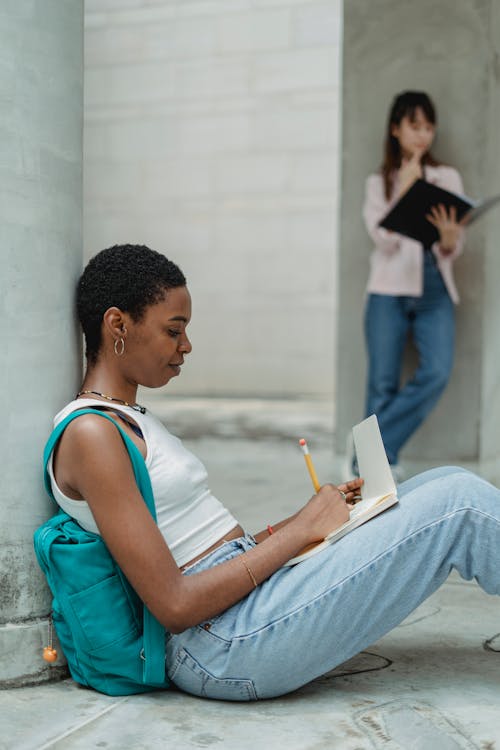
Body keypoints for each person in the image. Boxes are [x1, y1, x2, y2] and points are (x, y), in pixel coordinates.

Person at [48, 243, 500, 701]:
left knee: (436, 482)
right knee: (459, 503)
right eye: (174, 330)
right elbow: (175, 605)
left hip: (242, 606)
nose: (186, 345)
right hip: (221, 642)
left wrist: (311, 522)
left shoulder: (128, 416)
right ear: (118, 324)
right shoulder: (92, 434)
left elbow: (219, 546)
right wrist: (302, 528)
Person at [362, 91, 466, 479]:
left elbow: (452, 248)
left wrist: (451, 240)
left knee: (437, 371)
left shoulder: (447, 177)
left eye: (428, 126)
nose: (423, 135)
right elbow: (384, 240)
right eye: (414, 126)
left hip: (434, 287)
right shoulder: (379, 182)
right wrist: (405, 190)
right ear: (396, 129)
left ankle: (369, 453)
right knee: (382, 383)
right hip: (387, 290)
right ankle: (375, 468)